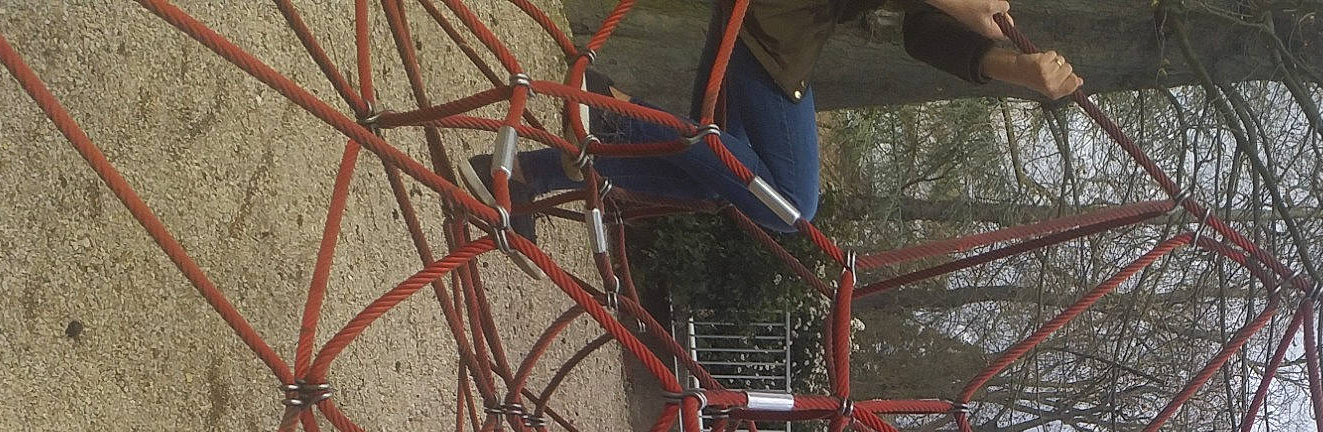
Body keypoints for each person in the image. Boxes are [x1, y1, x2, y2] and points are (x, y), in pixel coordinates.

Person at [462, 0, 1082, 236]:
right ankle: (612, 122)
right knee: (789, 201)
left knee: (734, 182)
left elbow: (925, 32)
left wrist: (1015, 70)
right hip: (768, 25)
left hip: (784, 39)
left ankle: (535, 170)